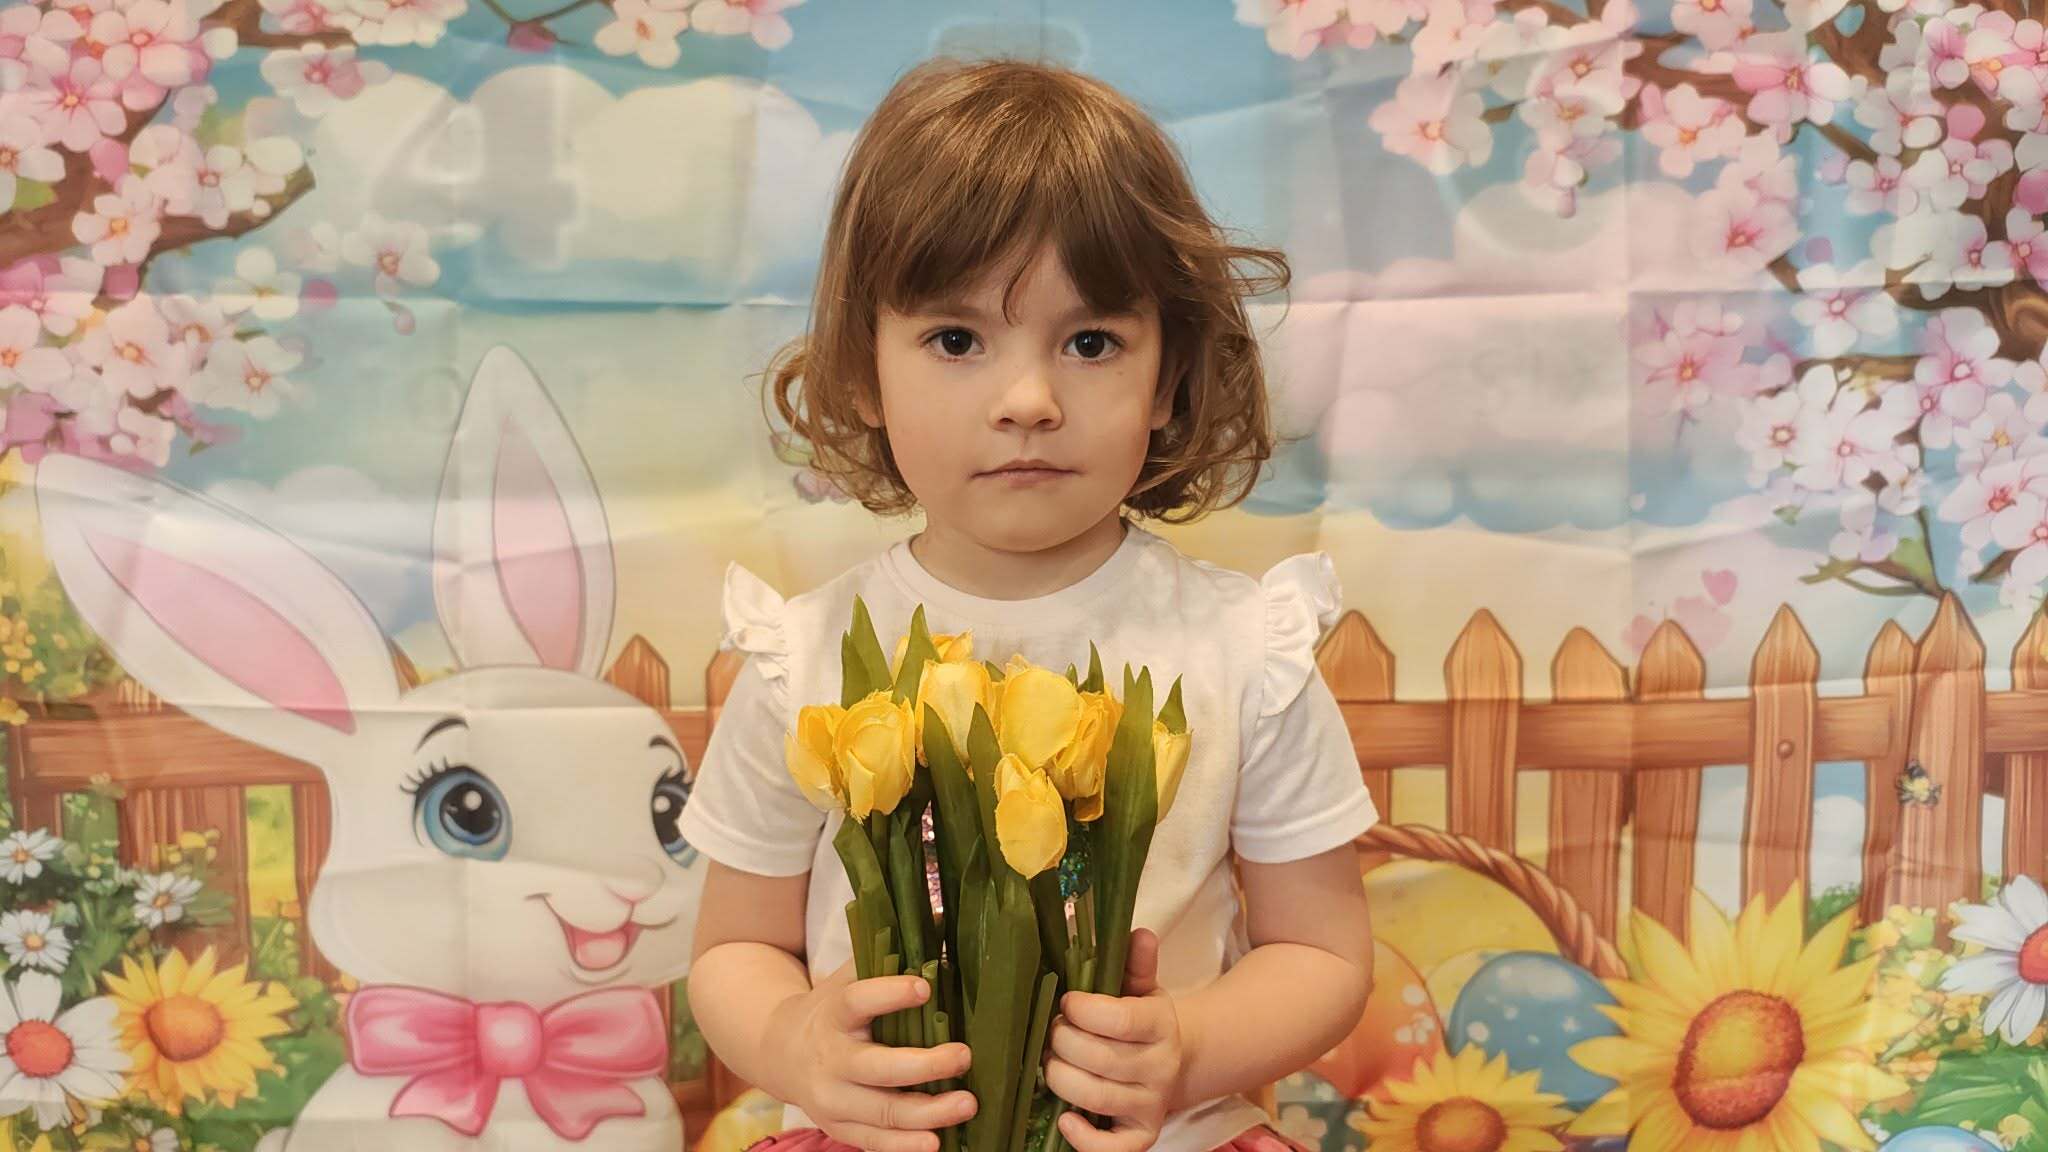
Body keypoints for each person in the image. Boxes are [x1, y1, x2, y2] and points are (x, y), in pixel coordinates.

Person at [680, 56, 1378, 1152]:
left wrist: (1188, 1048)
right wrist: (791, 1042)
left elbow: (1324, 955)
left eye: (1090, 343)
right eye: (955, 340)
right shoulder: (797, 660)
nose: (1027, 401)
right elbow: (734, 949)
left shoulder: (1248, 650)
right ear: (862, 371)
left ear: (1167, 378)